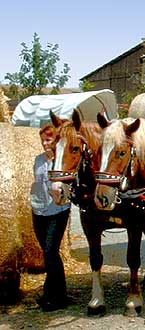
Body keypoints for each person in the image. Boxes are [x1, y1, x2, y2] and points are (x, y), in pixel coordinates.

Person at [31, 124, 72, 311]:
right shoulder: (38, 160)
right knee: (50, 254)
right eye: (42, 141)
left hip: (58, 211)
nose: (44, 144)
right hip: (38, 211)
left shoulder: (61, 161)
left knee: (50, 251)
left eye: (47, 140)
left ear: (55, 140)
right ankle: (58, 293)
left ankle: (55, 297)